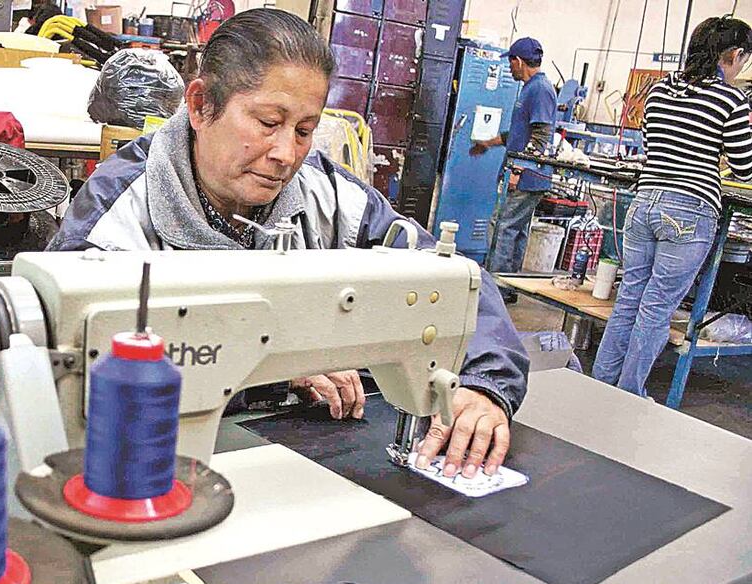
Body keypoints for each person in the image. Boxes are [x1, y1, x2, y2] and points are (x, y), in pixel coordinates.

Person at [48, 9, 529, 478]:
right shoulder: (118, 214)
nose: (285, 155)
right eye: (266, 122)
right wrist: (277, 366)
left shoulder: (332, 196)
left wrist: (487, 386)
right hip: (144, 467)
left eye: (303, 131)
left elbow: (455, 284)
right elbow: (69, 367)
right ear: (199, 106)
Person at [593, 17, 752, 396]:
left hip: (644, 203)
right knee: (657, 307)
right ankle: (629, 393)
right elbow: (746, 166)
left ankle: (599, 385)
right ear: (732, 54)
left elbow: (653, 142)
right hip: (689, 211)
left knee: (629, 296)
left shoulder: (660, 89)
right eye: (744, 57)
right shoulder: (730, 98)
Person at [470, 37, 557, 302]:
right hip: (528, 174)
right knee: (516, 230)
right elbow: (519, 134)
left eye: (510, 62)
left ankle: (496, 289)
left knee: (504, 227)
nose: (509, 69)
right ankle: (508, 287)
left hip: (525, 175)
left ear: (518, 61)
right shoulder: (531, 88)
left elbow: (541, 137)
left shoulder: (539, 89)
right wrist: (488, 143)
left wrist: (518, 171)